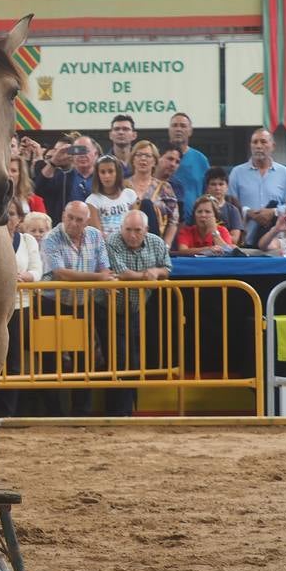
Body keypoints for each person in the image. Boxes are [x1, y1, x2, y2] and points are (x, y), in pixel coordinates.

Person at [39, 201, 115, 417]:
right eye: (70, 217)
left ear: (86, 221)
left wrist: (105, 277)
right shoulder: (51, 237)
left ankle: (82, 412)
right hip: (52, 305)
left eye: (79, 219)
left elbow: (105, 266)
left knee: (86, 361)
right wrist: (100, 278)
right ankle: (52, 414)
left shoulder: (95, 235)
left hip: (83, 305)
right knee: (51, 362)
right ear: (63, 215)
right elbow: (61, 273)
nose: (73, 223)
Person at [104, 209, 171, 417]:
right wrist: (147, 275)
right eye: (128, 230)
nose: (132, 235)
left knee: (134, 360)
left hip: (138, 309)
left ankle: (130, 409)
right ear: (121, 228)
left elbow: (167, 268)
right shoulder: (113, 242)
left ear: (147, 230)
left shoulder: (156, 242)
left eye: (137, 230)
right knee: (117, 360)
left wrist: (157, 272)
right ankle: (118, 412)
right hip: (108, 309)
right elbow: (122, 273)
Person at [0, 197, 43, 419]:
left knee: (14, 361)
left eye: (12, 214)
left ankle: (9, 411)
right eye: (4, 213)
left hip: (20, 306)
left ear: (20, 219)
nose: (7, 218)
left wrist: (24, 277)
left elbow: (37, 270)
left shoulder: (28, 241)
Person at [228, 128, 286, 248]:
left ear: (273, 146)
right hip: (244, 240)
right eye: (255, 142)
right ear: (250, 145)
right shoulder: (237, 173)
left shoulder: (284, 173)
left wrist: (273, 212)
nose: (259, 146)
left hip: (274, 243)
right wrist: (248, 212)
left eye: (263, 142)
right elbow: (230, 206)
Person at [125, 140, 178, 242]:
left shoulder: (165, 188)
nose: (143, 159)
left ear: (154, 161)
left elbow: (173, 221)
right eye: (139, 155)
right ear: (133, 159)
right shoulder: (122, 186)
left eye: (148, 156)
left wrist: (166, 246)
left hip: (156, 243)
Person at [35, 135, 99, 216]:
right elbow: (39, 189)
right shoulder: (63, 176)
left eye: (85, 150)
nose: (82, 155)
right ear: (72, 154)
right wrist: (54, 162)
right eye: (78, 150)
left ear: (96, 153)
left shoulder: (103, 177)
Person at [167, 113, 211, 218]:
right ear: (169, 130)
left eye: (183, 126)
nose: (178, 129)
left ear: (190, 131)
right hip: (164, 222)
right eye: (175, 125)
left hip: (194, 223)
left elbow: (208, 193)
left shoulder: (201, 160)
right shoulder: (158, 157)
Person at [85, 154, 138, 237]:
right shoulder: (92, 200)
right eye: (102, 172)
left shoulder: (130, 194)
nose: (107, 176)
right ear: (98, 175)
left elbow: (136, 224)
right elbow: (98, 234)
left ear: (117, 173)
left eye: (110, 171)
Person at [203, 166, 245, 246]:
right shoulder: (200, 208)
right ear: (207, 187)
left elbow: (234, 239)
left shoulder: (233, 210)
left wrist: (214, 233)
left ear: (227, 187)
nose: (217, 188)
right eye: (213, 184)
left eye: (221, 184)